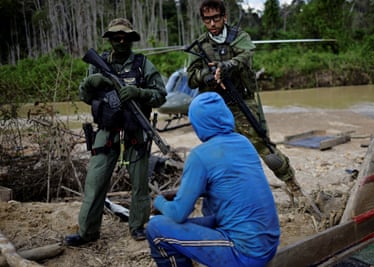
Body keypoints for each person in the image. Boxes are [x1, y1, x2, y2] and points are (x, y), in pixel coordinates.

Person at [146, 92, 280, 267]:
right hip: (269, 245)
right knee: (208, 217)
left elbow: (178, 213)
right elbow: (226, 185)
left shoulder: (200, 155)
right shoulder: (244, 142)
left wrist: (159, 202)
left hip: (245, 253)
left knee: (156, 227)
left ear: (199, 123)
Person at [187, 0, 302, 202]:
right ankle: (232, 196)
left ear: (224, 17)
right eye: (207, 19)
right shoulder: (200, 45)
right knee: (221, 153)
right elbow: (191, 77)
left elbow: (246, 55)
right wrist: (207, 75)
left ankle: (293, 186)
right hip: (216, 107)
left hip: (241, 100)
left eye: (216, 18)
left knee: (264, 147)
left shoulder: (239, 37)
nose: (212, 23)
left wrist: (226, 66)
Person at [65, 18, 167, 246]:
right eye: (116, 37)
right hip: (107, 130)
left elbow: (160, 95)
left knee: (139, 181)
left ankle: (138, 226)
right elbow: (85, 96)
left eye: (125, 37)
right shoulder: (97, 63)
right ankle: (87, 232)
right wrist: (92, 81)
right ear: (109, 39)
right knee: (95, 181)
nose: (120, 41)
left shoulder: (142, 64)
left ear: (131, 39)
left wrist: (138, 92)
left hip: (135, 129)